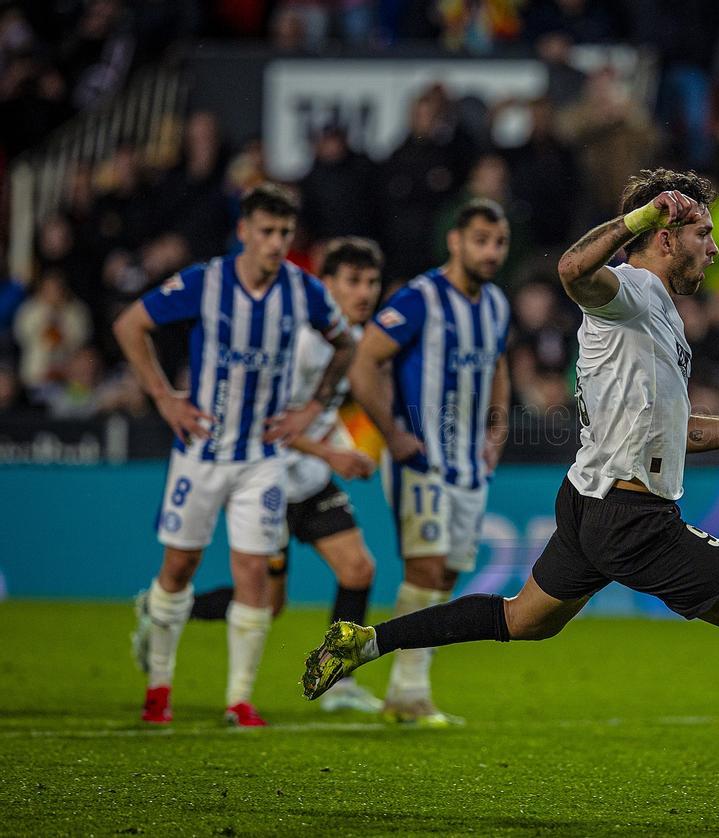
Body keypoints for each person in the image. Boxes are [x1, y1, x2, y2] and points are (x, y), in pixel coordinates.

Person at [301, 169, 719, 801]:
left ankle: (368, 642)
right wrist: (643, 213)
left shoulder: (661, 318)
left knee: (519, 619)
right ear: (667, 236)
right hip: (633, 519)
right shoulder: (632, 289)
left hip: (589, 505)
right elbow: (571, 271)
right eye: (703, 233)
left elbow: (676, 434)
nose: (713, 247)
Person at [113, 183, 354, 727]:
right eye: (266, 232)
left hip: (261, 458)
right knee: (180, 566)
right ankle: (159, 689)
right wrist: (161, 397)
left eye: (284, 233)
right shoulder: (206, 281)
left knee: (254, 576)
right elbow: (130, 325)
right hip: (200, 450)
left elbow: (347, 344)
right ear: (243, 231)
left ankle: (238, 700)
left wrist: (309, 409)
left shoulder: (303, 290)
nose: (275, 243)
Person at [154, 237, 386, 714]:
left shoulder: (353, 342)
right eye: (352, 281)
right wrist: (332, 454)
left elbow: (317, 413)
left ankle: (338, 682)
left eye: (371, 282)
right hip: (270, 480)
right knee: (266, 603)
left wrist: (342, 449)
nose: (364, 292)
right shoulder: (301, 344)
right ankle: (161, 609)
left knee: (359, 568)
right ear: (327, 286)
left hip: (311, 478)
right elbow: (264, 420)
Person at [345, 198, 512, 726]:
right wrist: (392, 434)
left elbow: (498, 364)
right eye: (481, 240)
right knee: (426, 566)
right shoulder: (419, 298)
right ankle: (408, 692)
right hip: (422, 459)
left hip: (469, 466)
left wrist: (496, 431)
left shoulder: (496, 305)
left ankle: (408, 691)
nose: (491, 251)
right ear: (456, 241)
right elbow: (364, 361)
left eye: (499, 242)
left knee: (449, 575)